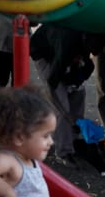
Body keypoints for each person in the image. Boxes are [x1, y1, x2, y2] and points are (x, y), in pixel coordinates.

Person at [28, 23, 99, 162]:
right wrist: (61, 102)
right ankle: (63, 151)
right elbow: (52, 80)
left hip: (63, 56)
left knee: (79, 94)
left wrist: (75, 83)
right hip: (44, 53)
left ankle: (74, 140)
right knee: (61, 108)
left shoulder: (88, 39)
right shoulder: (67, 47)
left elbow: (87, 68)